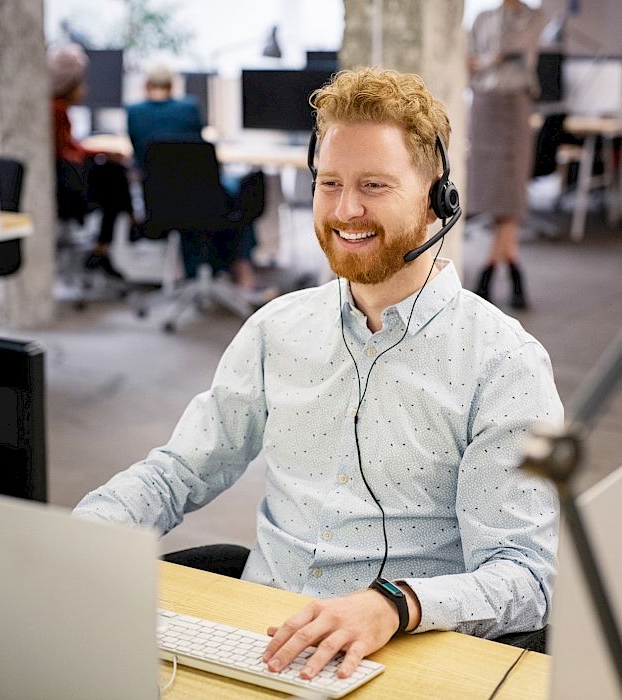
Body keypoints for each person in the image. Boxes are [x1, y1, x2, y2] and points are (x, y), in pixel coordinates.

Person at [74, 68, 562, 680]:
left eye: (374, 185)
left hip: (405, 656)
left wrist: (397, 605)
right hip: (262, 640)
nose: (345, 210)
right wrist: (79, 537)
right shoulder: (276, 328)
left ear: (436, 194)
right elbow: (180, 470)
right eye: (328, 183)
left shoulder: (502, 363)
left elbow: (526, 576)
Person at [127, 65, 272, 302]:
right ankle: (241, 270)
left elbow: (138, 155)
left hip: (160, 204)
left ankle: (196, 273)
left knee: (190, 206)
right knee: (235, 196)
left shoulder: (133, 112)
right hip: (204, 200)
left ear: (146, 86)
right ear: (172, 86)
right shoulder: (189, 107)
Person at [467, 0, 548, 308]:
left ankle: (488, 269)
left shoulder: (532, 17)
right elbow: (470, 61)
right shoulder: (482, 17)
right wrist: (493, 59)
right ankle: (512, 264)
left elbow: (511, 48)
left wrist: (489, 58)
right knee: (491, 193)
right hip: (484, 106)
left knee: (511, 193)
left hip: (515, 106)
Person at [48, 43, 134, 278]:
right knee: (115, 174)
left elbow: (70, 147)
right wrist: (101, 153)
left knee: (113, 171)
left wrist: (99, 151)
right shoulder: (55, 110)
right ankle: (125, 228)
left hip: (68, 181)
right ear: (69, 83)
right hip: (69, 189)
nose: (85, 88)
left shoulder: (58, 109)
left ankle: (117, 234)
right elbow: (67, 153)